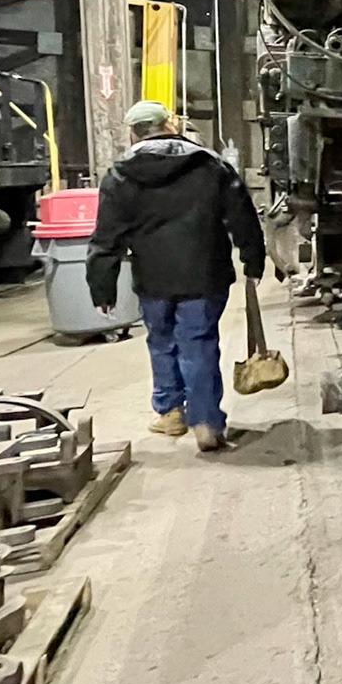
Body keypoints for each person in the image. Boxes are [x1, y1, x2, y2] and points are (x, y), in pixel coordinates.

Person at [87, 99, 266, 452]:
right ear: (170, 126)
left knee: (161, 341)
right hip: (204, 274)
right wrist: (253, 261)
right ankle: (205, 423)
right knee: (198, 343)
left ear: (133, 133)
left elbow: (106, 237)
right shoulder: (210, 165)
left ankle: (170, 413)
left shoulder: (120, 176)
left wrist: (102, 287)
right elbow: (242, 216)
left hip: (152, 278)